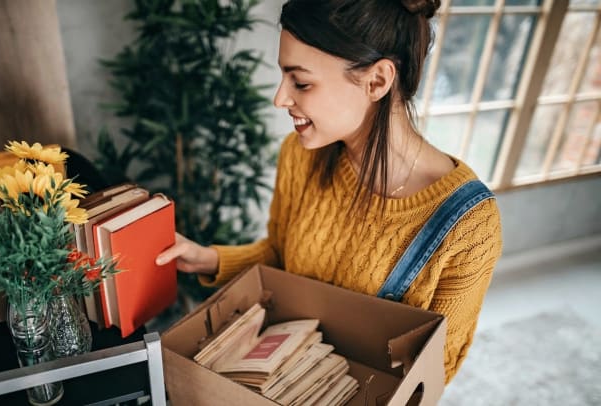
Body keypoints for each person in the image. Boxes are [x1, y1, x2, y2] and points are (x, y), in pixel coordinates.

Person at [156, 0, 502, 383]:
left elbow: (438, 367)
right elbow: (279, 255)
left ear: (377, 81)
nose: (280, 98)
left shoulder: (469, 225)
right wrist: (206, 259)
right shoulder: (300, 155)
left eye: (300, 82)